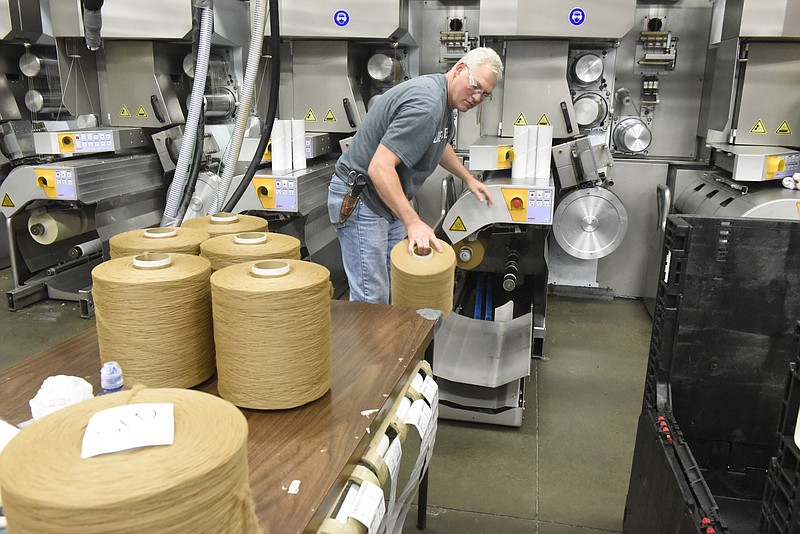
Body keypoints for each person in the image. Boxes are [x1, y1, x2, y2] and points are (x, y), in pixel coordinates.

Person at [327, 47, 504, 304]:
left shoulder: (443, 101)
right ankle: (368, 343)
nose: (477, 97)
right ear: (459, 69)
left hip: (383, 201)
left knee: (395, 283)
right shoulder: (428, 105)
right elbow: (379, 167)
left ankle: (387, 342)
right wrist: (412, 221)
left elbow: (438, 143)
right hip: (363, 201)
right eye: (475, 86)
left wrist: (468, 178)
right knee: (371, 299)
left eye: (485, 94)